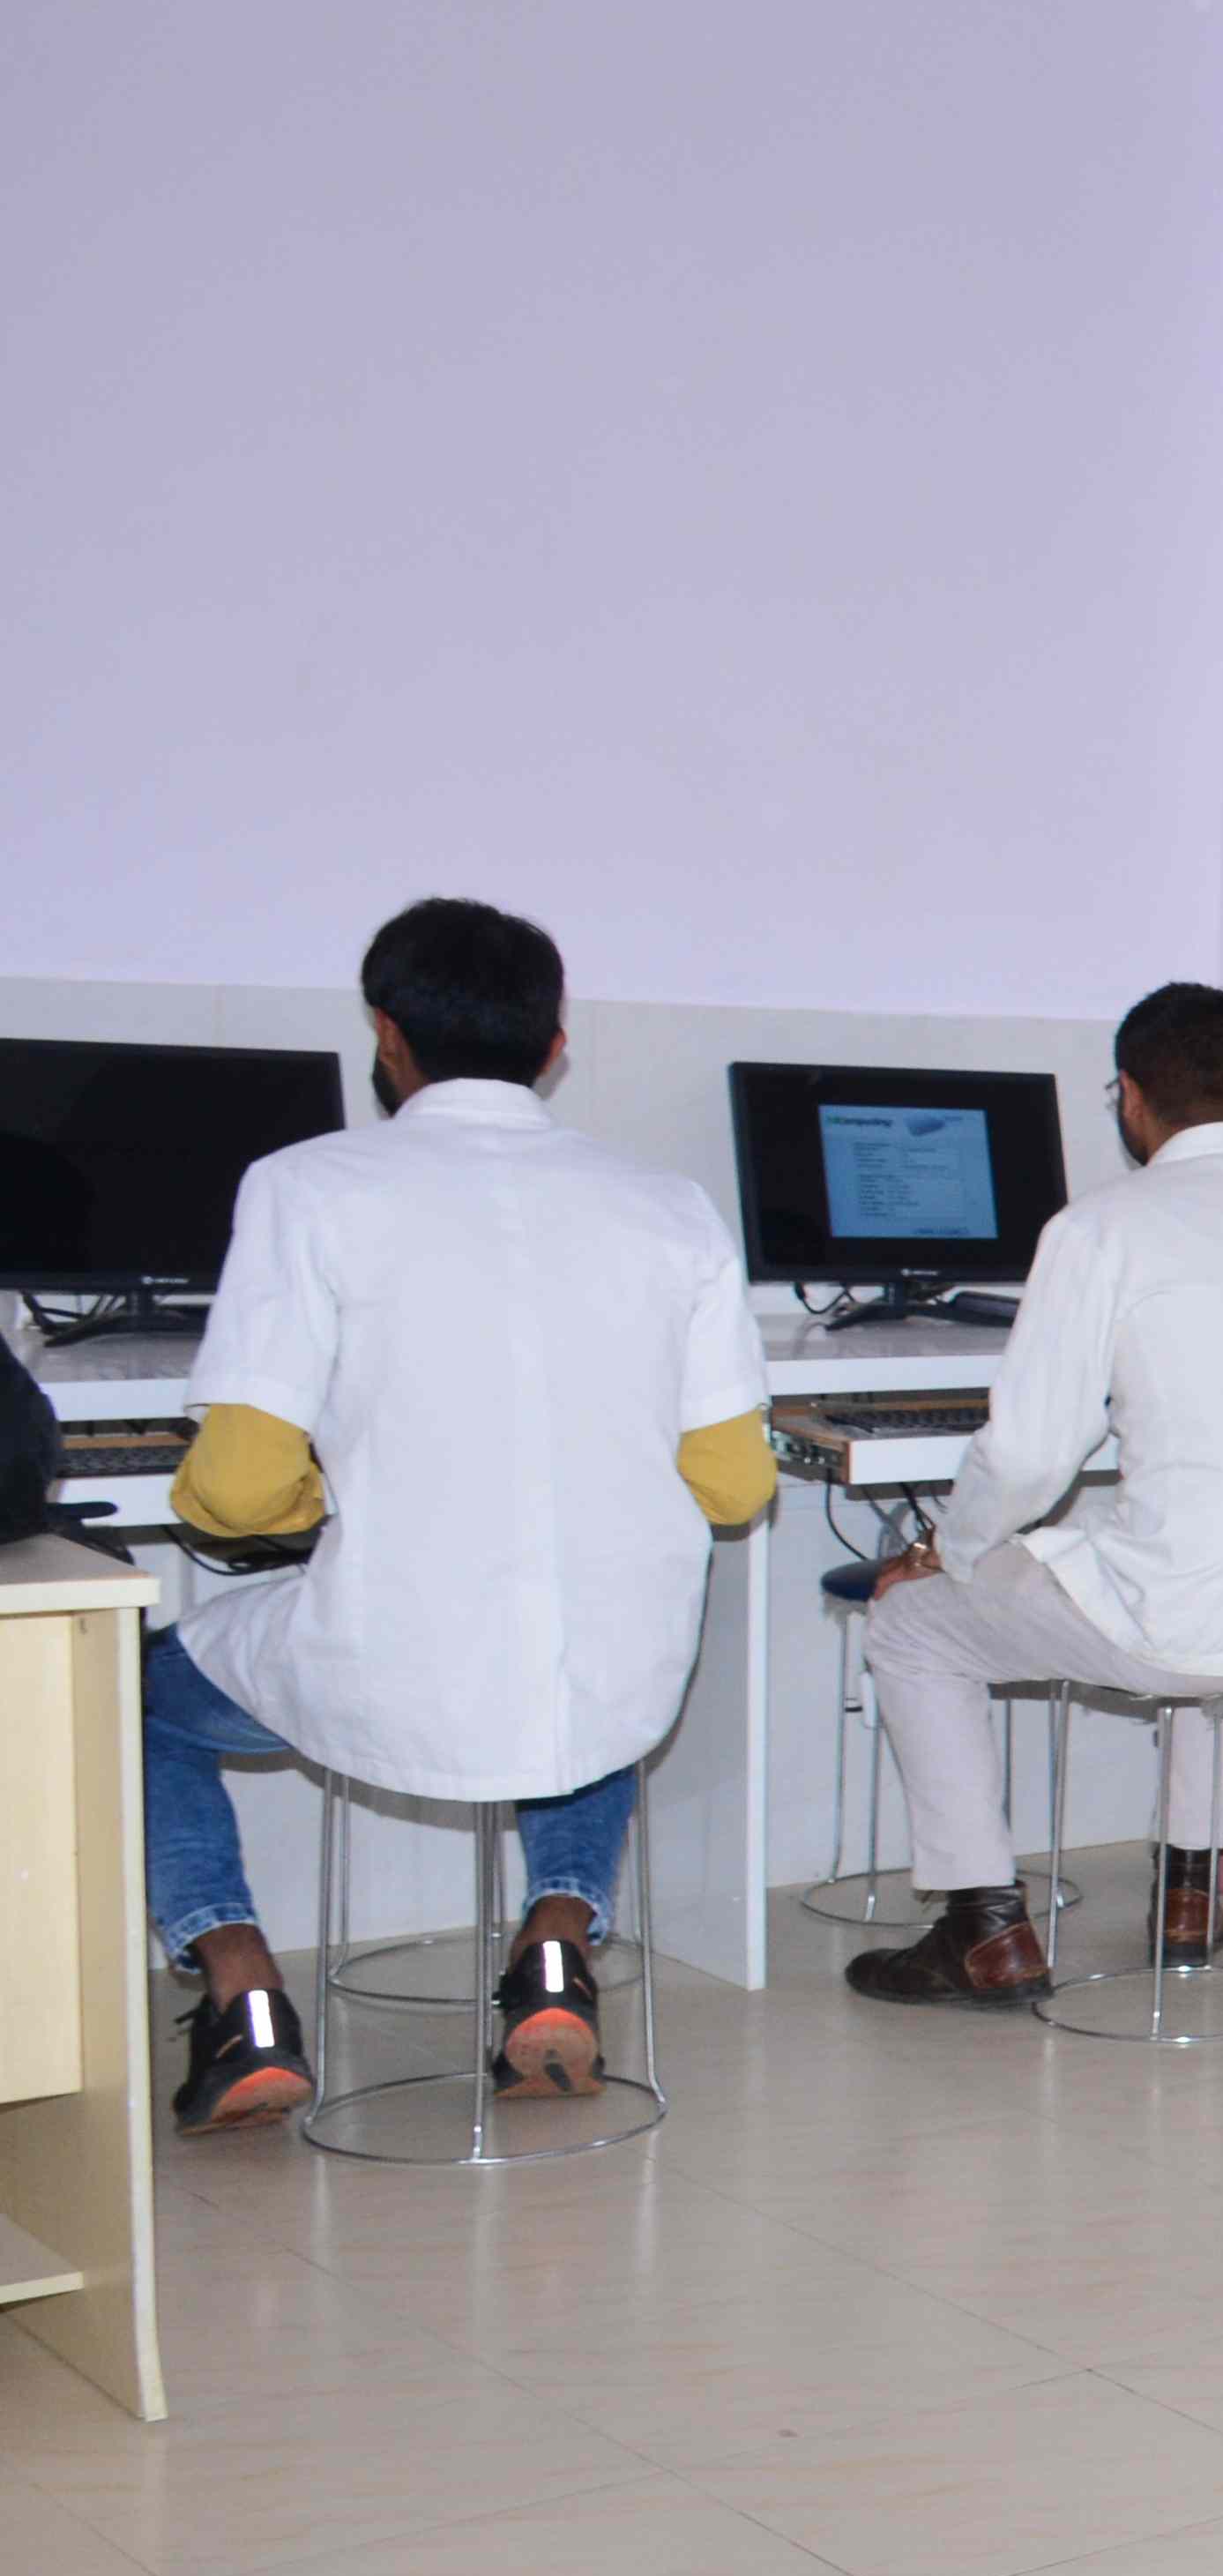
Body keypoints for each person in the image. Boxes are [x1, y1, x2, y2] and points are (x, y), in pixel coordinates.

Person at [148, 899, 773, 2130]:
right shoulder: (669, 1206)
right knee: (585, 1661)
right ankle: (555, 1948)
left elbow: (228, 1491)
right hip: (614, 1676)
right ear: (553, 1045)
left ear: (388, 1036)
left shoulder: (304, 1188)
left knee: (136, 1694)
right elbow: (738, 1486)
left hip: (391, 1670)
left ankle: (241, 1993)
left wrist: (347, 1492)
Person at [847, 984, 1223, 2003]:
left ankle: (982, 1929)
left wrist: (946, 1548)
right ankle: (1184, 1889)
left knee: (914, 1624)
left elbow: (1033, 1455)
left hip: (1195, 1623)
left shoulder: (1102, 1230)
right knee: (1166, 1562)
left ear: (1129, 1098)